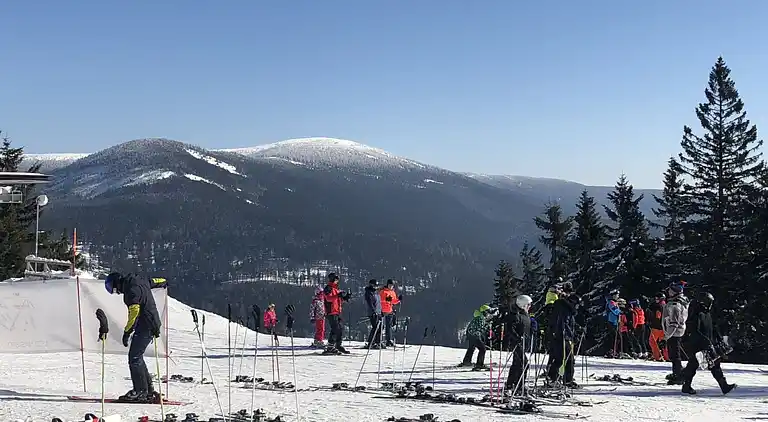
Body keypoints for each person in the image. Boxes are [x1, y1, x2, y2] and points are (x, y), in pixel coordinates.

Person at [105, 272, 163, 403]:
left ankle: (140, 391)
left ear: (117, 283)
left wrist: (127, 331)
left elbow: (134, 312)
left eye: (113, 289)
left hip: (146, 324)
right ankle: (147, 391)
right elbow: (156, 280)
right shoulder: (140, 279)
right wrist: (164, 282)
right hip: (152, 322)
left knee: (134, 357)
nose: (117, 292)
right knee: (137, 356)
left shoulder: (130, 291)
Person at [680, 292, 736, 395]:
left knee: (715, 364)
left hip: (708, 344)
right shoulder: (696, 314)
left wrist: (718, 338)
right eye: (709, 302)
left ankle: (724, 386)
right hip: (697, 344)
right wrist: (706, 341)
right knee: (693, 365)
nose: (710, 304)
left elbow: (712, 327)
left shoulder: (707, 313)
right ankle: (686, 385)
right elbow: (696, 330)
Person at [546, 282, 580, 388]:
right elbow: (561, 321)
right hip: (561, 334)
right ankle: (565, 380)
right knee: (568, 358)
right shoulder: (563, 306)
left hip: (563, 334)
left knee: (560, 358)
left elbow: (570, 323)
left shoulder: (566, 308)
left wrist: (575, 333)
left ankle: (553, 377)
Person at [662, 282, 690, 384]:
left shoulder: (675, 304)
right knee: (674, 354)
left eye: (670, 290)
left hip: (674, 332)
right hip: (677, 331)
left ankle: (679, 375)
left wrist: (666, 336)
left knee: (674, 355)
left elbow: (674, 322)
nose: (668, 292)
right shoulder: (680, 302)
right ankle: (677, 373)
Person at [505, 295, 532, 395]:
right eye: (528, 304)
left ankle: (511, 383)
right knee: (524, 363)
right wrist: (517, 338)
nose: (529, 306)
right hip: (516, 343)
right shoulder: (515, 314)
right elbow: (510, 329)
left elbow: (525, 326)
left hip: (523, 342)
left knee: (517, 363)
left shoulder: (524, 314)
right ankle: (519, 385)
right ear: (523, 305)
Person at [323, 272, 352, 354]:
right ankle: (330, 346)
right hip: (331, 312)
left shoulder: (335, 289)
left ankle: (337, 345)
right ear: (332, 279)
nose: (337, 281)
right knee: (335, 328)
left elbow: (337, 300)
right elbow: (328, 299)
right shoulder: (328, 288)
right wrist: (338, 296)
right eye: (336, 280)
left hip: (337, 311)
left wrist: (345, 298)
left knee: (340, 329)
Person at [460, 304, 495, 370]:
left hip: (471, 335)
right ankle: (479, 364)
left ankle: (466, 361)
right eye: (488, 311)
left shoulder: (478, 317)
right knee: (482, 349)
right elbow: (481, 329)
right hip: (474, 335)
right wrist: (487, 327)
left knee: (471, 348)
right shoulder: (481, 318)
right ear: (484, 312)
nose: (488, 314)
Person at [646, 292, 668, 361]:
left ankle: (657, 356)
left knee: (652, 341)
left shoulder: (658, 306)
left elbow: (657, 317)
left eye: (657, 298)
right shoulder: (665, 305)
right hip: (664, 328)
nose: (656, 300)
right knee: (663, 342)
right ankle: (666, 356)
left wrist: (650, 321)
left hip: (656, 327)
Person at [379, 279, 401, 347]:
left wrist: (398, 300)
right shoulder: (383, 291)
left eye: (392, 285)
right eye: (390, 285)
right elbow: (381, 299)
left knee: (388, 326)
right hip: (382, 310)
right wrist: (387, 299)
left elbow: (393, 301)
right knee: (381, 326)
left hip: (389, 310)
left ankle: (388, 340)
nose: (391, 286)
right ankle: (379, 340)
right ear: (387, 285)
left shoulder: (392, 292)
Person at [364, 279, 383, 349]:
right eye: (374, 285)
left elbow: (379, 302)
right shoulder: (369, 293)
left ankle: (377, 342)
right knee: (375, 327)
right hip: (373, 312)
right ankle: (371, 342)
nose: (376, 287)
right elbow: (370, 303)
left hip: (378, 312)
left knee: (380, 327)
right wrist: (374, 311)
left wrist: (381, 311)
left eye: (376, 285)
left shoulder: (376, 292)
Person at [603, 290, 622, 358]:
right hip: (612, 321)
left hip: (614, 322)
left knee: (617, 337)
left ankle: (615, 351)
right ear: (613, 295)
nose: (618, 296)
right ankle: (613, 351)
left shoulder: (614, 302)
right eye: (617, 295)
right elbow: (615, 311)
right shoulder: (611, 302)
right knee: (615, 337)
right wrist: (620, 311)